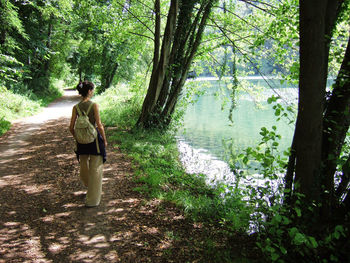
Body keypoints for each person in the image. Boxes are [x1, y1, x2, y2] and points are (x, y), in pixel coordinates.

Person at [69, 81, 107, 207]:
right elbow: (99, 125)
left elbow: (71, 127)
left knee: (83, 164)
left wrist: (77, 137)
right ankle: (92, 200)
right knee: (96, 167)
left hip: (81, 142)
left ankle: (87, 184)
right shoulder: (94, 105)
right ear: (89, 91)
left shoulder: (76, 107)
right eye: (92, 90)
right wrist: (104, 139)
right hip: (94, 140)